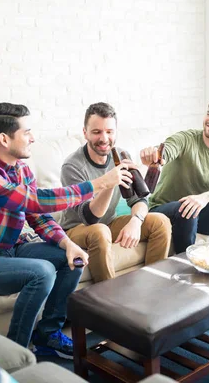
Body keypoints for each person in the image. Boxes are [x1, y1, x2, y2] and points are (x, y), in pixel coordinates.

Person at [0, 102, 132, 359]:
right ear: (4, 138)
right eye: (27, 132)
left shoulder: (21, 169)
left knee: (73, 259)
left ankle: (47, 334)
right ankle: (15, 354)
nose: (33, 138)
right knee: (42, 272)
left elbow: (38, 216)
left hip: (12, 248)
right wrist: (100, 183)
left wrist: (67, 243)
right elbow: (34, 201)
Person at [59, 102, 171, 282]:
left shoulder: (121, 154)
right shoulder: (72, 166)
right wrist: (110, 182)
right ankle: (110, 302)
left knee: (160, 221)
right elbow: (90, 218)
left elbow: (139, 200)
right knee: (100, 231)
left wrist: (136, 221)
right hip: (77, 229)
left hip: (109, 224)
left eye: (109, 132)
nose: (104, 138)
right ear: (85, 132)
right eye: (97, 132)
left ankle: (153, 287)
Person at [140, 94, 209, 254]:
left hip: (197, 213)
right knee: (188, 207)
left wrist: (206, 197)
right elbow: (166, 150)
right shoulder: (186, 139)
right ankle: (187, 265)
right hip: (164, 211)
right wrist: (154, 155)